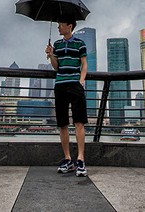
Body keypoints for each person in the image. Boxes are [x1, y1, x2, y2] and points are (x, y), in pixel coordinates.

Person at [45, 19, 88, 177]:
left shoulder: (80, 43)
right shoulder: (56, 44)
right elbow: (57, 67)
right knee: (62, 123)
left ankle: (81, 159)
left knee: (79, 123)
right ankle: (68, 159)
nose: (58, 27)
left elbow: (84, 64)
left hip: (75, 85)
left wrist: (81, 81)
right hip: (60, 85)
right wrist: (51, 55)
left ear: (69, 26)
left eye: (61, 24)